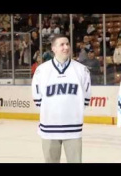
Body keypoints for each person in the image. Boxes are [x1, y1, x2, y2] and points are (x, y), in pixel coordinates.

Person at [31, 34, 91, 163]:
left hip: (73, 128)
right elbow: (37, 99)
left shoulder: (82, 70)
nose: (66, 47)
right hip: (49, 127)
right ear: (53, 48)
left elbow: (85, 98)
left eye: (67, 44)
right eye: (62, 45)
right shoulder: (41, 71)